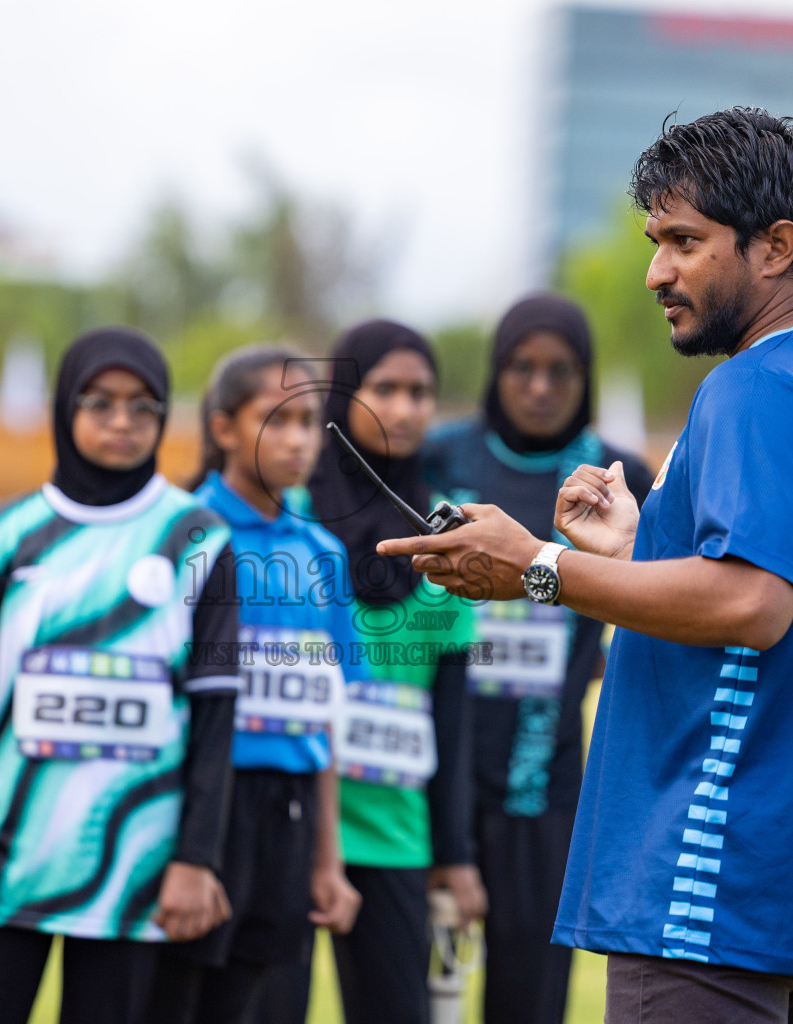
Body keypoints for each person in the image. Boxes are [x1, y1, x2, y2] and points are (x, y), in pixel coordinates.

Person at [377, 108, 793, 1023]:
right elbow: (790, 607)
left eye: (684, 241)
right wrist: (641, 553)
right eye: (655, 240)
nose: (655, 272)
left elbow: (754, 602)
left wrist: (538, 566)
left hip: (706, 885)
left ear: (777, 246)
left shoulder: (758, 384)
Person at [0, 327, 243, 1024]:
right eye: (100, 403)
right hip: (10, 854)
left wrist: (196, 858)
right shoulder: (9, 532)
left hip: (137, 863)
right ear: (65, 408)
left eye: (143, 407)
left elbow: (217, 713)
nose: (122, 422)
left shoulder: (199, 538)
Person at [419, 292, 653, 1024]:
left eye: (561, 370)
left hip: (546, 783)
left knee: (530, 999)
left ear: (585, 378)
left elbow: (654, 591)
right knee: (420, 994)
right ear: (496, 372)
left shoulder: (616, 476)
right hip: (433, 771)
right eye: (523, 368)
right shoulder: (440, 457)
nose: (541, 387)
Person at [259, 319, 484, 1024]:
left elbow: (452, 719)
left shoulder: (452, 540)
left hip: (394, 833)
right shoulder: (281, 521)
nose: (407, 407)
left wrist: (456, 855)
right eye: (385, 388)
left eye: (422, 392)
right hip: (281, 826)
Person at [153, 345, 362, 1023]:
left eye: (310, 421)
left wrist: (328, 862)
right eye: (278, 420)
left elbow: (328, 722)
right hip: (197, 808)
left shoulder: (324, 554)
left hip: (288, 816)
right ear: (222, 429)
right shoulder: (180, 536)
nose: (300, 439)